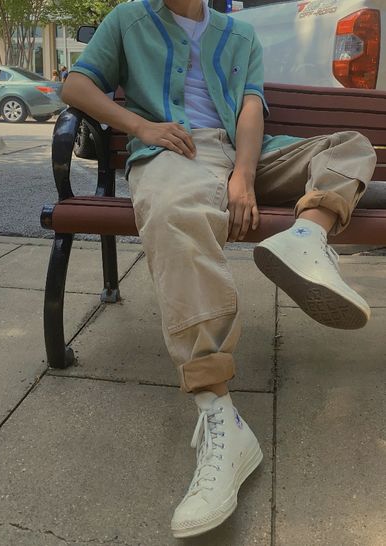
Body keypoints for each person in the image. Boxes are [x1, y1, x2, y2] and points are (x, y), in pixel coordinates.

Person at [62, 0, 376, 538]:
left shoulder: (240, 34)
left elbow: (251, 109)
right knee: (173, 214)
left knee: (350, 145)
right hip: (176, 154)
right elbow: (76, 86)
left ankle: (306, 237)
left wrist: (244, 177)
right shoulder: (128, 20)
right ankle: (220, 415)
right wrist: (142, 126)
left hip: (248, 154)